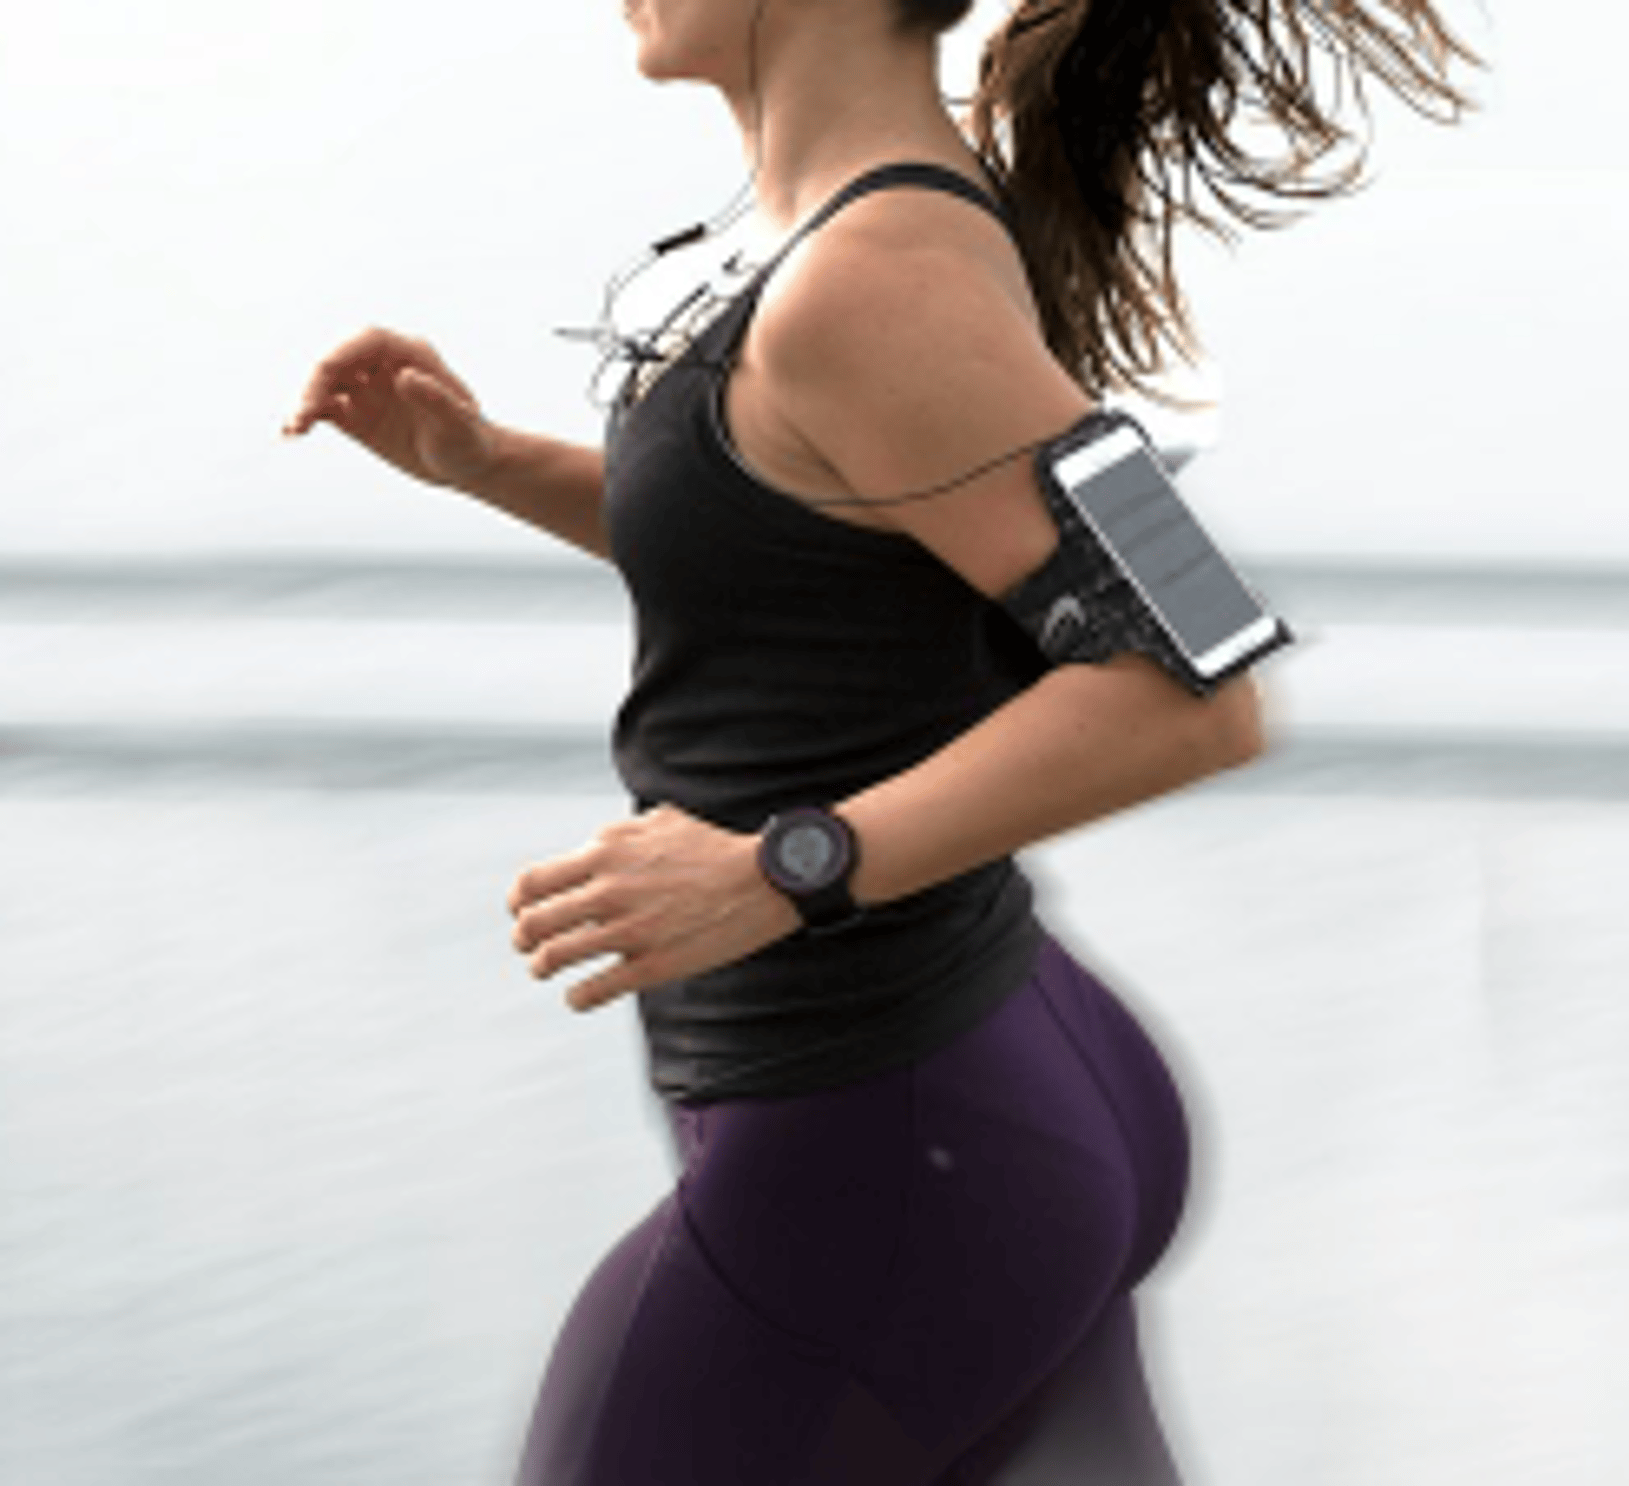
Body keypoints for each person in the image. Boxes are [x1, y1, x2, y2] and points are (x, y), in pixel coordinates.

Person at [285, 0, 1474, 1479]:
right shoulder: (887, 237)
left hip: (891, 1145)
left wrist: (783, 867)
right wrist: (484, 462)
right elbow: (804, 536)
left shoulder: (873, 280)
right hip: (985, 1088)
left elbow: (1198, 676)